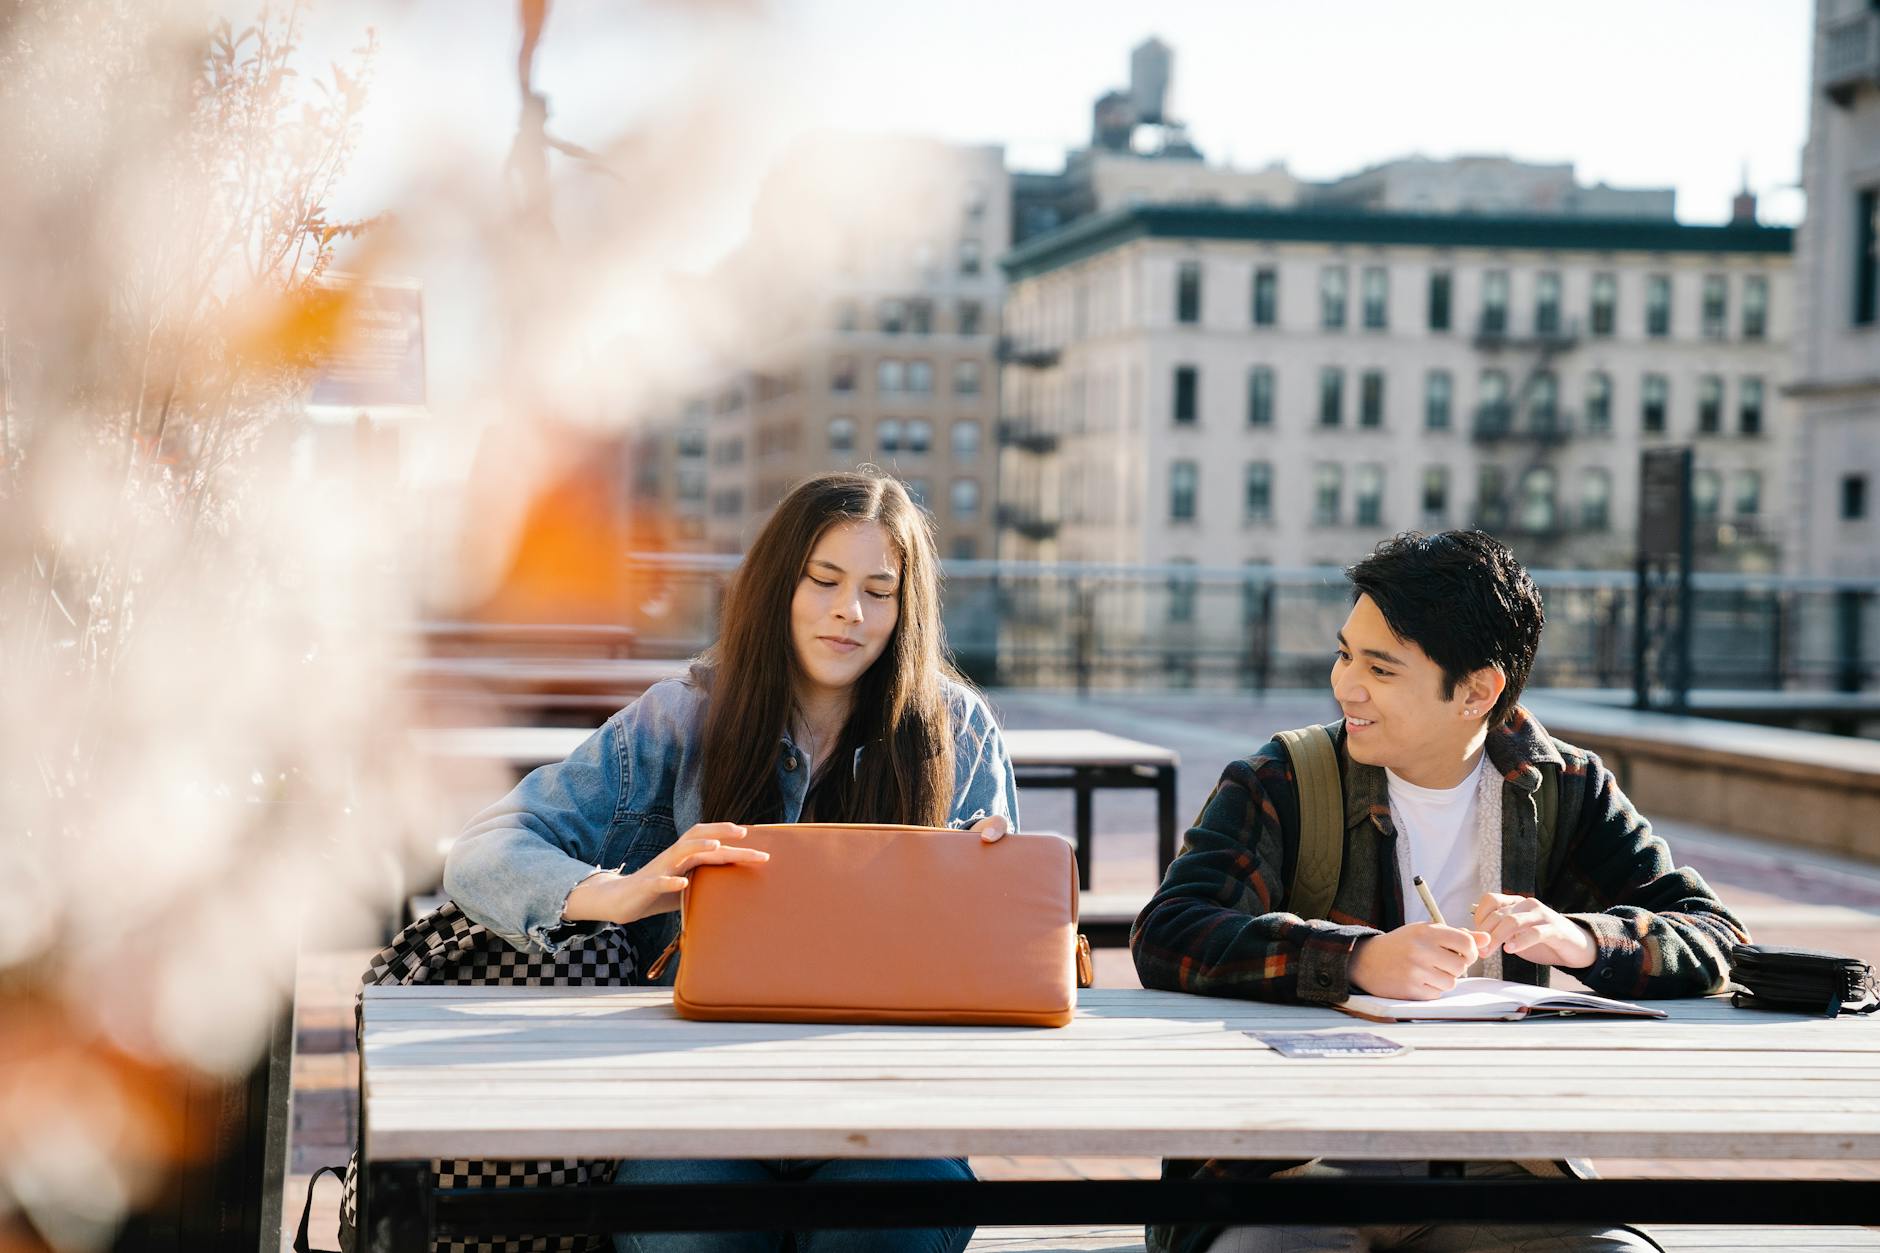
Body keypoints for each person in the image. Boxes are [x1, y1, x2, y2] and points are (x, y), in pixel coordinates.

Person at [446, 470, 1018, 1253]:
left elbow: (998, 981)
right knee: (693, 1236)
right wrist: (617, 893)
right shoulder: (679, 720)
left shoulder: (959, 731)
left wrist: (993, 893)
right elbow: (480, 851)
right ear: (778, 584)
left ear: (905, 609)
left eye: (879, 591)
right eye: (824, 581)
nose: (850, 611)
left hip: (887, 1114)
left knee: (886, 1231)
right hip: (698, 1106)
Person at [1130, 530, 1748, 1253]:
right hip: (1282, 1166)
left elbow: (1715, 932)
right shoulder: (1284, 777)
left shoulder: (1567, 788)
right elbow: (1168, 930)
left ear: (1478, 690)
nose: (1344, 685)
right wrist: (1354, 958)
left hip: (1490, 1163)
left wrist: (1580, 938)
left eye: (1380, 669)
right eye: (1344, 653)